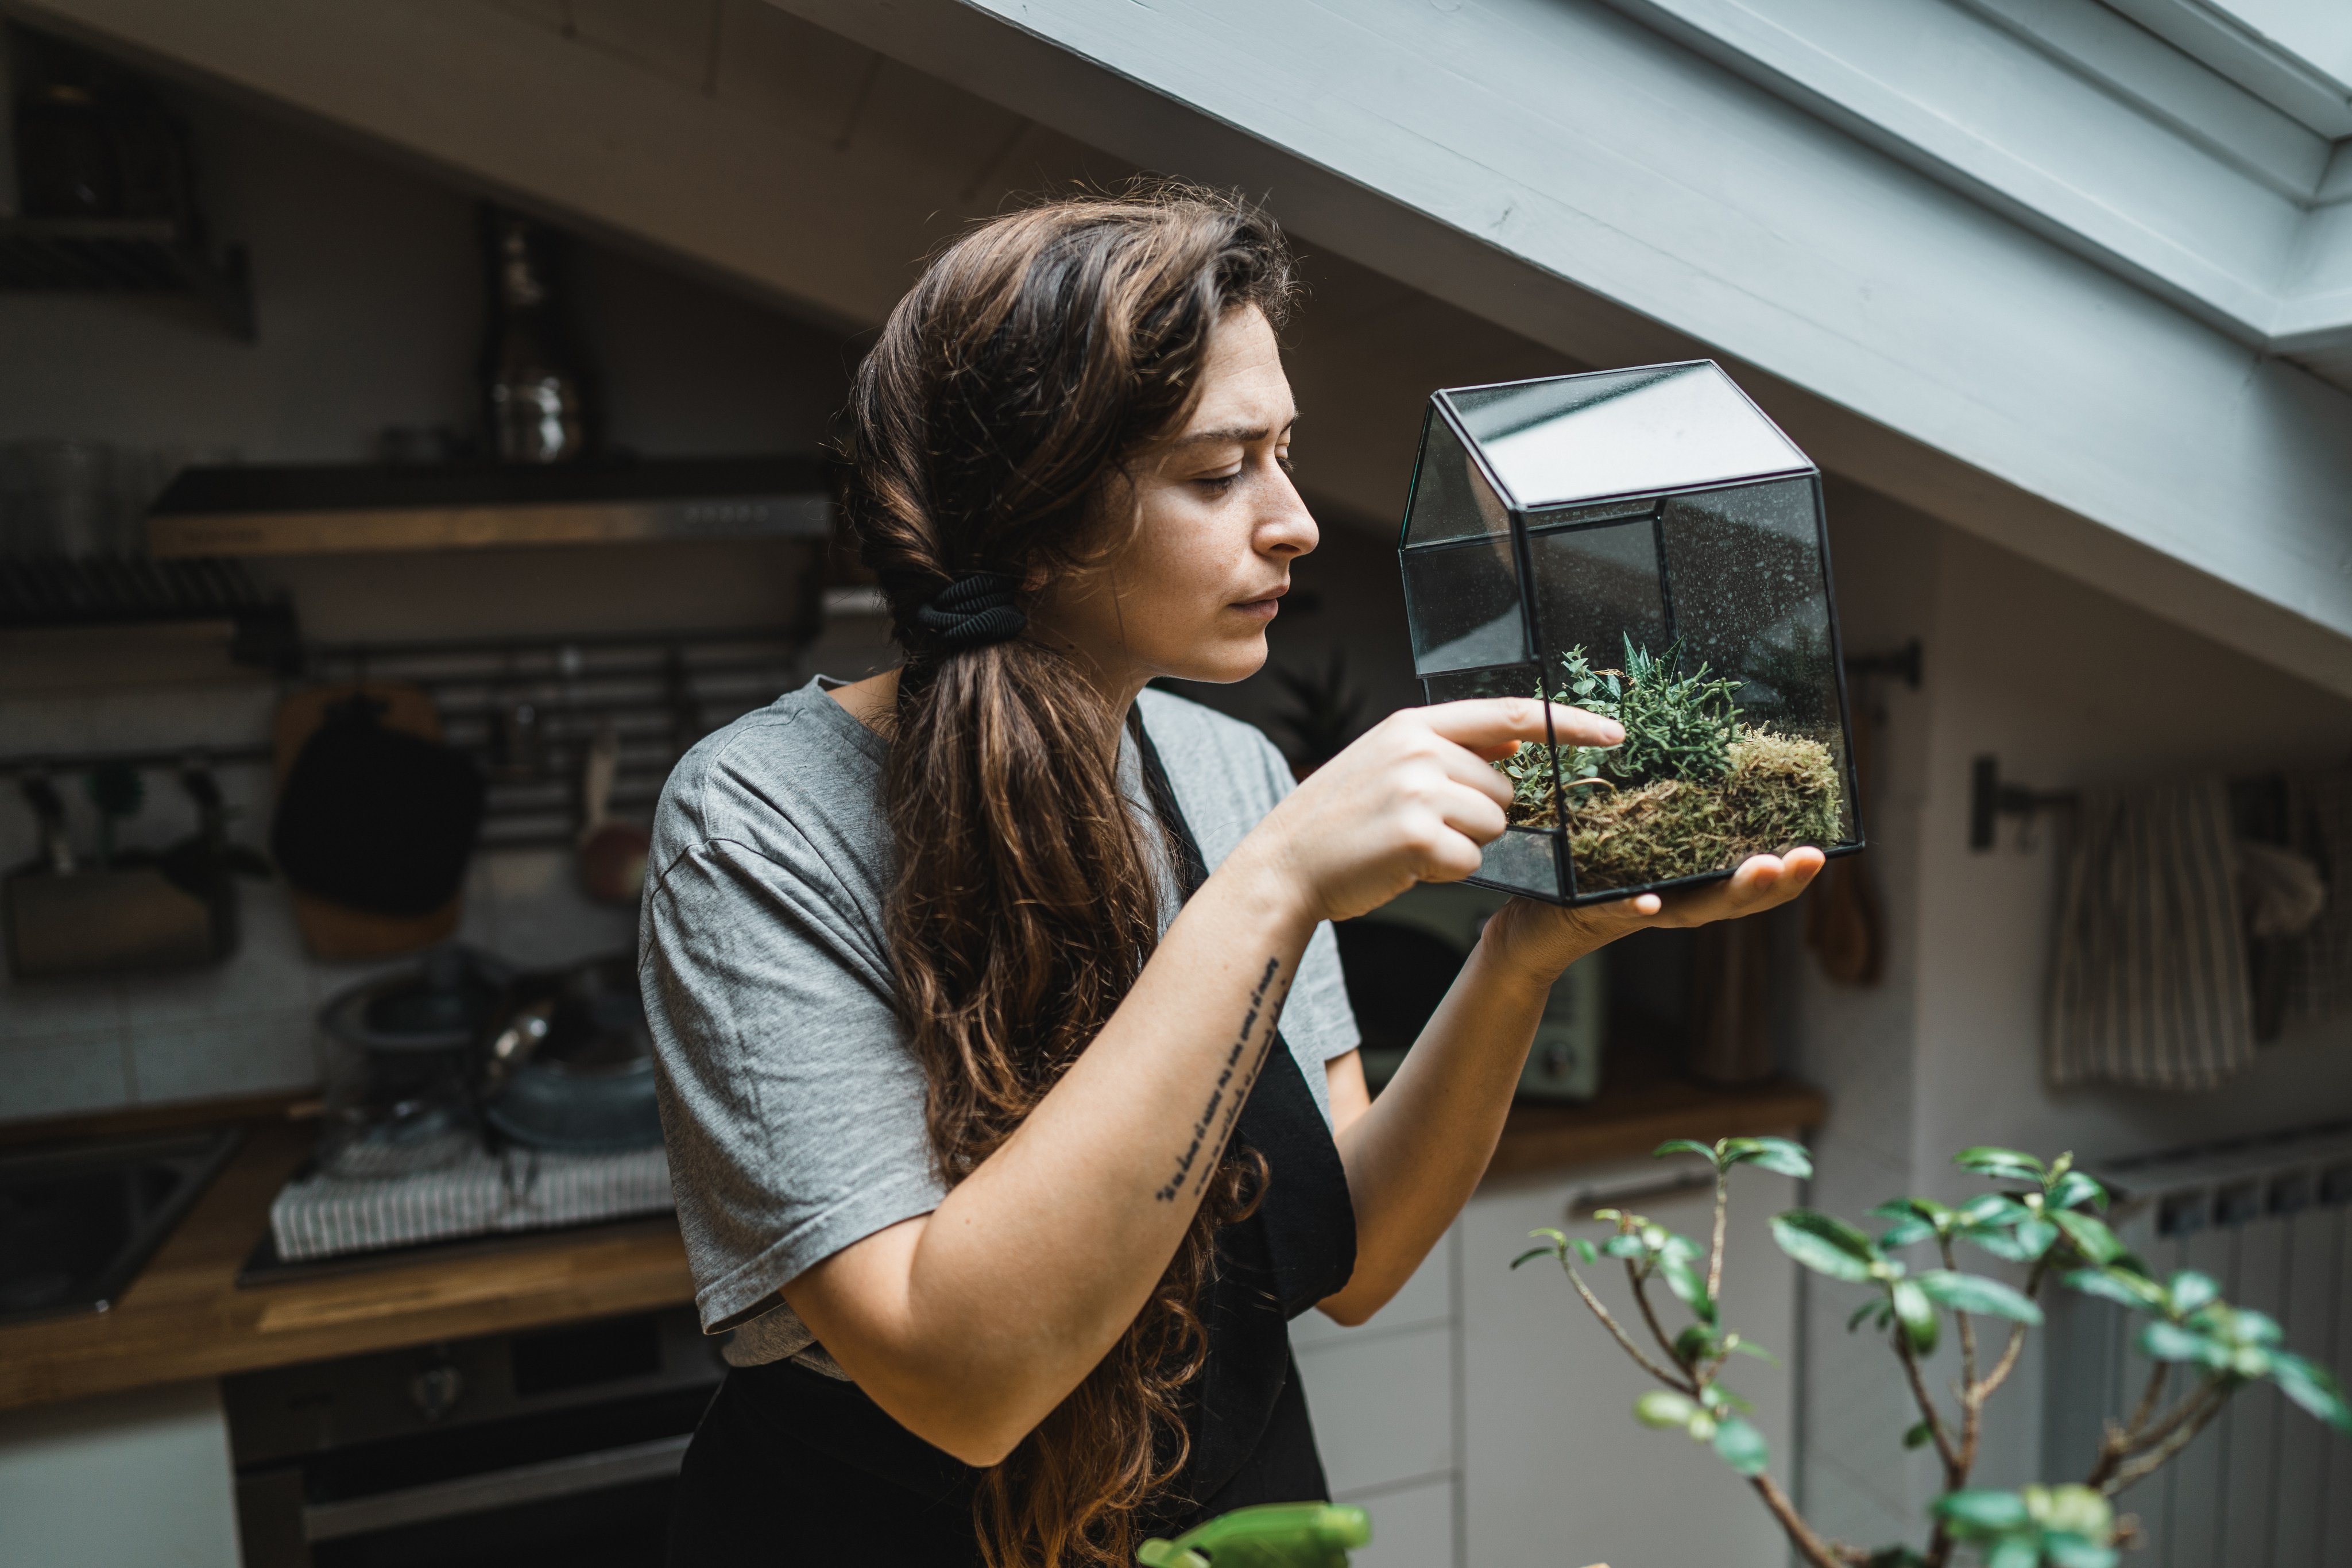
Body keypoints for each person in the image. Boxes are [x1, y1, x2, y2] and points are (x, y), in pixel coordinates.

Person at [641, 182, 1823, 1568]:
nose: (1294, 521)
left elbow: (1356, 1253)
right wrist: (1270, 887)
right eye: (1219, 474)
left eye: (1283, 453)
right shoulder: (756, 819)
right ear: (1039, 513)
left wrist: (1523, 952)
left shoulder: (1224, 770)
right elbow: (960, 1384)